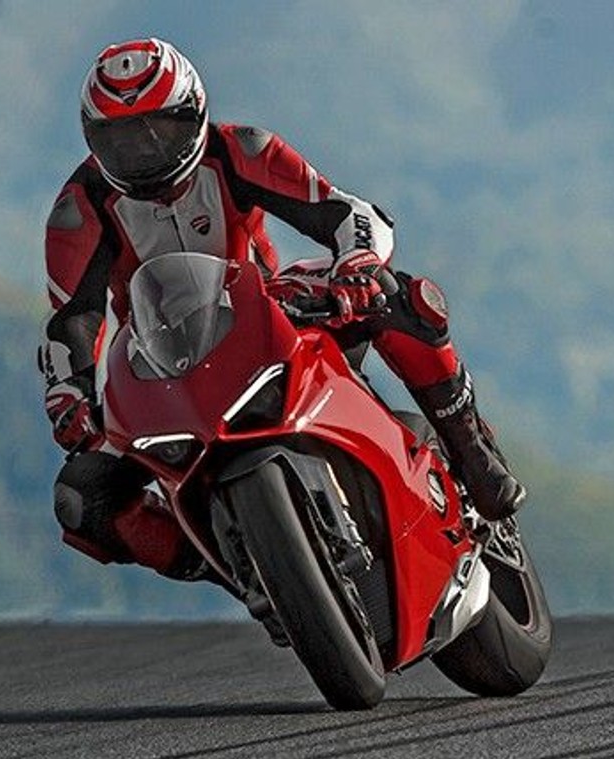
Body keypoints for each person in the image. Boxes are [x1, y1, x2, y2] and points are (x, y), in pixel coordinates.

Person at [39, 38, 525, 583]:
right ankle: (241, 572)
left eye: (161, 129)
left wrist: (357, 264)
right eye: (123, 139)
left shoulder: (239, 149)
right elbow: (71, 321)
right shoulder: (79, 208)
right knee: (83, 500)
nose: (146, 150)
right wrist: (70, 393)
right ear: (93, 140)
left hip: (269, 315)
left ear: (194, 112)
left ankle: (469, 445)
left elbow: (345, 212)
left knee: (398, 297)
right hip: (163, 368)